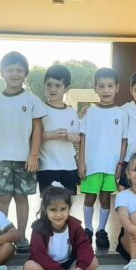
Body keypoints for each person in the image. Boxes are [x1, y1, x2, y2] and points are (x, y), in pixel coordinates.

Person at [0, 51, 46, 253]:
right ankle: (2, 236)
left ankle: (20, 235)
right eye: (10, 70)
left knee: (21, 198)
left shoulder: (32, 99)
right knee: (2, 198)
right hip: (1, 158)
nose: (15, 74)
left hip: (24, 160)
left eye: (19, 70)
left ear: (25, 73)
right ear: (2, 72)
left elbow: (37, 129)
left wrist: (33, 155)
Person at [19, 183, 99, 270]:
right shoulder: (39, 228)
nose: (58, 214)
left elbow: (85, 247)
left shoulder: (74, 225)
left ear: (69, 208)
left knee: (93, 261)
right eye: (53, 210)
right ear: (45, 209)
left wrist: (79, 269)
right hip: (46, 267)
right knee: (29, 267)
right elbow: (39, 256)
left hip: (68, 266)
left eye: (63, 209)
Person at [78, 67, 127, 250]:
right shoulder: (89, 112)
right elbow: (83, 138)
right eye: (101, 86)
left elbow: (124, 140)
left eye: (110, 86)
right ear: (95, 88)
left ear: (117, 88)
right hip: (92, 164)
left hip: (111, 165)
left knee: (106, 198)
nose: (106, 90)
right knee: (90, 197)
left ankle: (101, 230)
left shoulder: (122, 113)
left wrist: (120, 163)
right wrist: (81, 162)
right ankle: (88, 229)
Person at [37, 64, 80, 194]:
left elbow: (79, 136)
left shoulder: (71, 112)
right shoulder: (39, 110)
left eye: (57, 85)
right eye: (49, 85)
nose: (52, 89)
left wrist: (74, 137)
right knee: (48, 202)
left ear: (66, 88)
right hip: (47, 166)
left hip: (69, 166)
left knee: (68, 202)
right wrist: (52, 135)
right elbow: (33, 136)